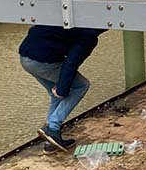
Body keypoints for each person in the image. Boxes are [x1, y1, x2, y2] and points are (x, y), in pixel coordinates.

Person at [19, 25, 105, 153]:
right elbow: (71, 62)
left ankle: (50, 142)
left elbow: (33, 30)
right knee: (81, 85)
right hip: (42, 61)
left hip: (25, 56)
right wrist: (62, 89)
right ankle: (53, 128)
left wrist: (61, 89)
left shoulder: (70, 15)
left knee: (56, 94)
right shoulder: (89, 35)